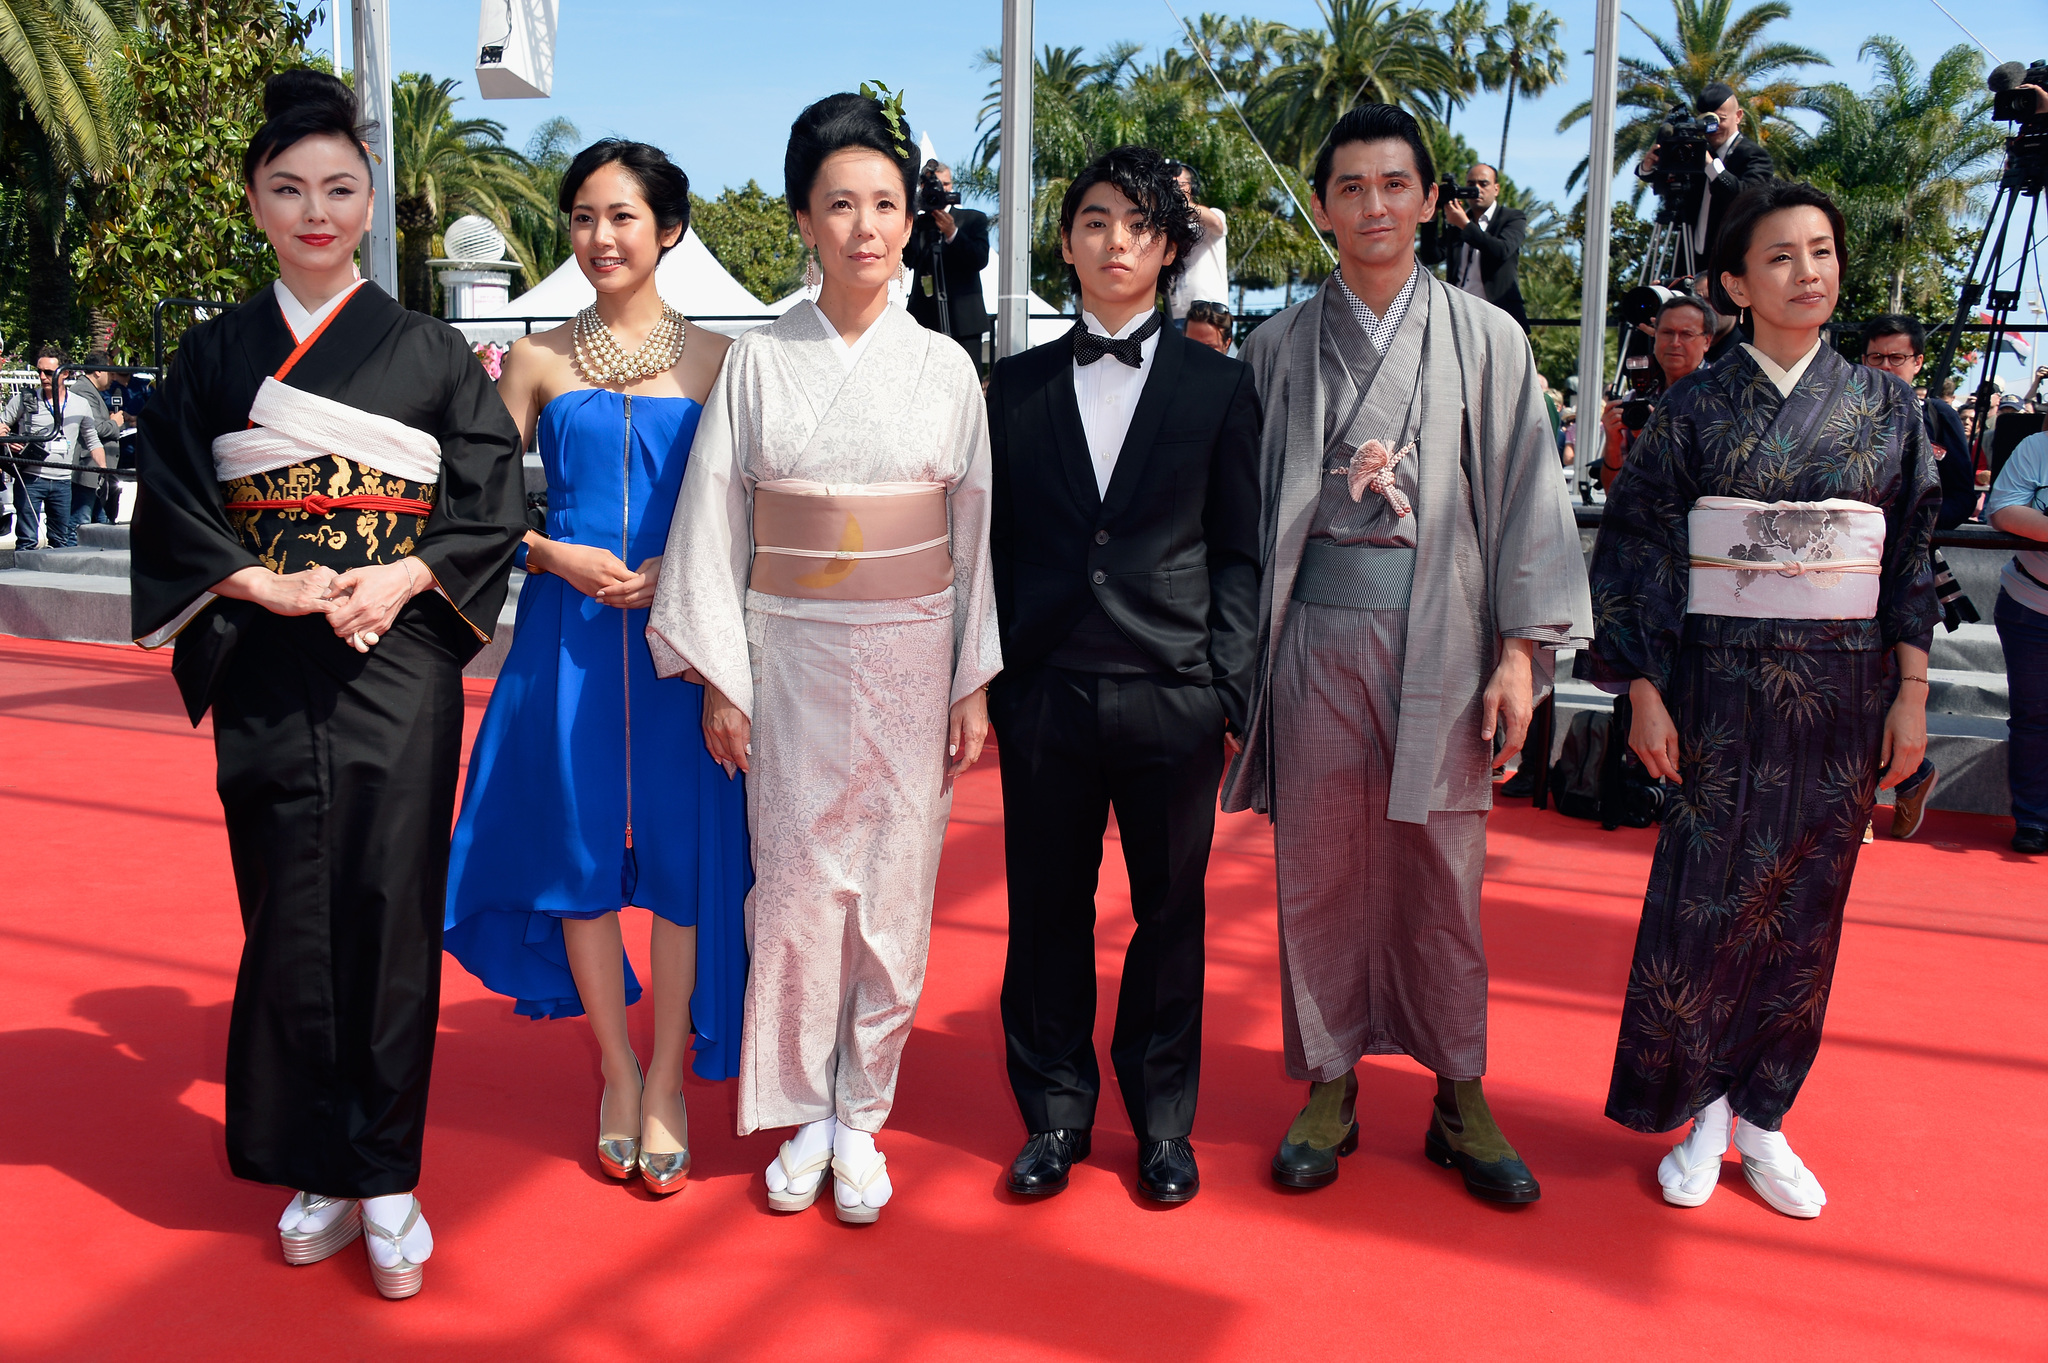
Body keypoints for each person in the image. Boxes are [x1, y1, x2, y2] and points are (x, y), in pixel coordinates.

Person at [128, 70, 526, 1295]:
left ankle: (387, 1168)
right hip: (267, 657)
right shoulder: (212, 355)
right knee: (285, 904)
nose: (315, 210)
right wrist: (263, 587)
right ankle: (315, 1158)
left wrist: (402, 577)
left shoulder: (426, 351)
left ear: (371, 206)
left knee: (389, 903)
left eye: (339, 189)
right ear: (252, 202)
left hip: (395, 656)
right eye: (289, 188)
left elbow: (486, 499)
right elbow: (179, 506)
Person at [1224, 104, 1591, 1204]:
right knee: (1319, 864)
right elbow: (1238, 522)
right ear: (1323, 206)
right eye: (1350, 186)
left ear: (1430, 201)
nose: (1373, 206)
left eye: (1395, 185)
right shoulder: (1277, 347)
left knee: (1445, 868)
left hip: (1444, 628)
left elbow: (1530, 496)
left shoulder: (1488, 339)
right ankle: (1328, 1078)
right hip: (1315, 632)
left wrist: (1519, 654)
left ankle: (1458, 1086)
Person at [647, 89, 999, 1225]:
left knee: (895, 892)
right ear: (801, 218)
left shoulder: (946, 368)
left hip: (908, 656)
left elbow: (974, 531)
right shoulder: (758, 365)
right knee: (794, 893)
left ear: (911, 222)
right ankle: (802, 1110)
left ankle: (864, 1113)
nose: (863, 226)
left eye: (884, 204)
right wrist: (721, 676)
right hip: (787, 652)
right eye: (838, 203)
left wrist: (970, 676)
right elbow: (712, 520)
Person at [1582, 181, 1938, 1219]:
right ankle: (1699, 1106)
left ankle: (1766, 1116)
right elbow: (1637, 550)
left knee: (1805, 909)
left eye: (1820, 250)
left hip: (1840, 691)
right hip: (1714, 691)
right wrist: (1641, 689)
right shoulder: (1688, 410)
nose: (1807, 272)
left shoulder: (1891, 410)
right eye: (1778, 256)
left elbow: (1910, 556)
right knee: (1701, 904)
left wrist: (1908, 692)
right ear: (1735, 281)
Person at [441, 140, 750, 1195]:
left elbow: (750, 510)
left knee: (678, 862)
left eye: (622, 217)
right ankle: (615, 1069)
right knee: (576, 858)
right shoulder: (531, 360)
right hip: (562, 649)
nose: (599, 237)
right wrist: (546, 548)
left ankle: (666, 1076)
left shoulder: (719, 361)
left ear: (667, 228)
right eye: (582, 217)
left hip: (682, 649)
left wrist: (681, 563)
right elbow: (466, 509)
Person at [984, 145, 1261, 1205]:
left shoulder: (1218, 384)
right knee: (1043, 910)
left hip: (1170, 689)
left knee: (1169, 914)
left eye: (1140, 227)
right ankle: (1053, 1113)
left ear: (1169, 247)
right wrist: (999, 681)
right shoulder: (1008, 388)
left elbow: (1238, 547)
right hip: (1045, 689)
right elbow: (993, 545)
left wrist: (1223, 684)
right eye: (1095, 221)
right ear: (1066, 241)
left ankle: (1160, 1123)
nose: (1115, 243)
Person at [1986, 428, 2048, 855]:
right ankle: (2034, 818)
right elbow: (2002, 509)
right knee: (2034, 717)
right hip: (2030, 606)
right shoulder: (2036, 448)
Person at [1636, 83, 1774, 271]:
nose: (1713, 128)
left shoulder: (1754, 156)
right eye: (1707, 122)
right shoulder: (1696, 152)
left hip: (1728, 262)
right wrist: (1649, 167)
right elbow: (1667, 184)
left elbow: (1745, 198)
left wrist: (1710, 164)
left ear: (1738, 116)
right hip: (1688, 260)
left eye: (1720, 120)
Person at [1599, 294, 1716, 490]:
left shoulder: (1723, 397)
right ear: (1655, 335)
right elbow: (1613, 492)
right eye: (1667, 333)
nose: (1675, 342)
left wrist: (1652, 443)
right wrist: (1613, 441)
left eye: (1686, 334)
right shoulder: (1636, 399)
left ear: (1707, 341)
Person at [1, 345, 102, 548]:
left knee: (60, 539)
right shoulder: (25, 399)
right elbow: (2, 424)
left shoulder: (80, 404)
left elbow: (92, 441)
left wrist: (105, 472)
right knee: (28, 539)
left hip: (63, 480)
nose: (43, 376)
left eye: (48, 372)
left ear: (64, 373)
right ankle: (24, 578)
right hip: (31, 477)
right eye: (39, 371)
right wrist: (9, 439)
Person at [1418, 163, 1528, 332]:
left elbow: (1502, 250)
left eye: (1483, 184)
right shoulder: (1458, 220)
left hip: (1499, 316)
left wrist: (1465, 224)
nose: (1477, 189)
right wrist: (1432, 213)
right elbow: (1431, 256)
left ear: (1496, 189)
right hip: (1459, 316)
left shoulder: (1512, 218)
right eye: (1470, 185)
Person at [902, 160, 990, 369]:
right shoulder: (915, 224)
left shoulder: (972, 219)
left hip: (966, 322)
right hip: (925, 319)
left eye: (946, 184)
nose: (941, 189)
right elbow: (909, 259)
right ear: (922, 188)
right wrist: (909, 219)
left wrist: (953, 233)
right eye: (934, 185)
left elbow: (979, 259)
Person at [1164, 161, 1229, 329]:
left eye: (1179, 184)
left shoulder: (1213, 214)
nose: (1175, 188)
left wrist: (1182, 204)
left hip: (1210, 310)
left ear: (1191, 187)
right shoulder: (1166, 223)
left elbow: (1216, 224)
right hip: (1177, 313)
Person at [67, 353, 124, 532]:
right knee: (81, 520)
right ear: (98, 371)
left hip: (100, 467)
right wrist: (115, 423)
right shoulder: (83, 390)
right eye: (111, 372)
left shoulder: (92, 391)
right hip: (88, 465)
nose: (113, 377)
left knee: (101, 521)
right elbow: (95, 427)